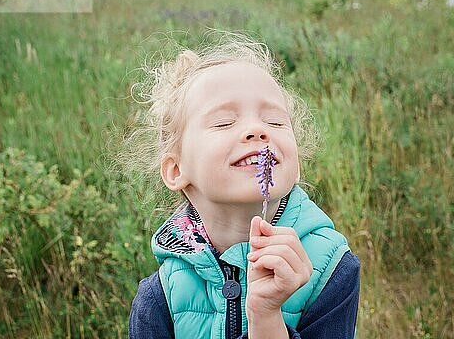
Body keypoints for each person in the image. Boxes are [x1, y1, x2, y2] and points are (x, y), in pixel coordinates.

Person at [124, 32, 360, 338]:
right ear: (176, 170)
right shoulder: (161, 297)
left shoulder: (331, 268)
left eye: (275, 121)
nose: (257, 130)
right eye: (224, 122)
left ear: (296, 165)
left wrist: (265, 318)